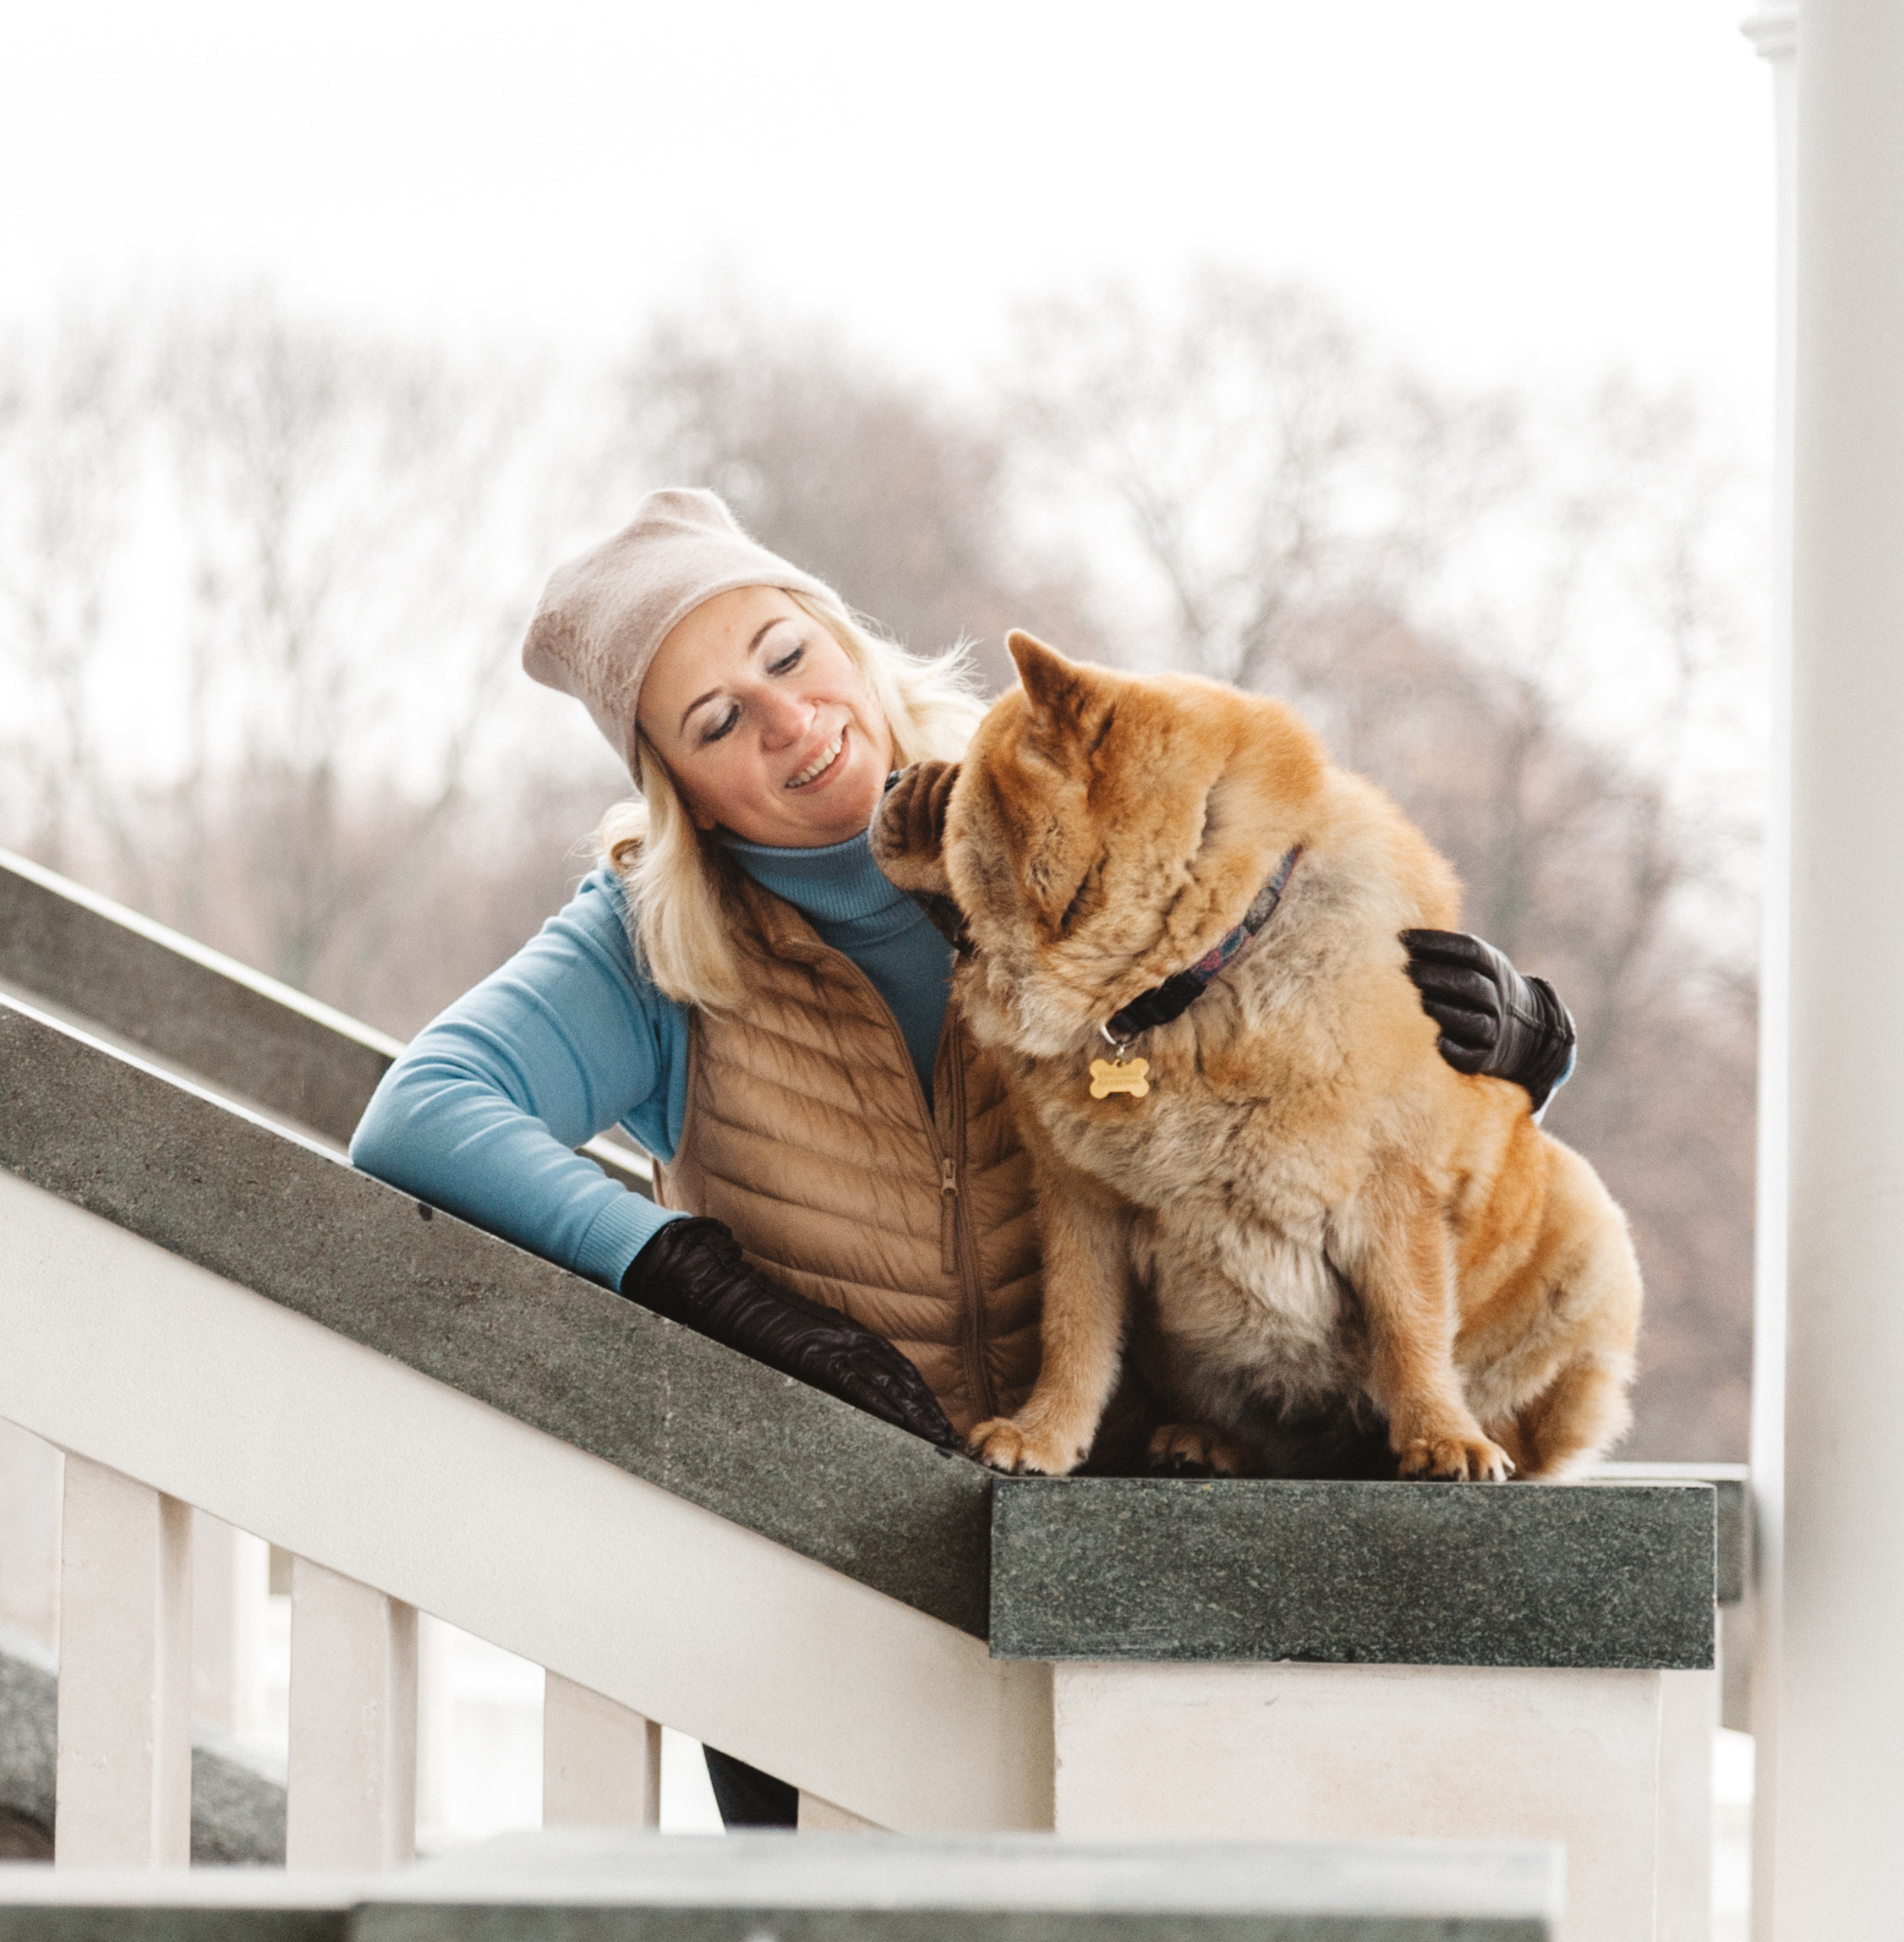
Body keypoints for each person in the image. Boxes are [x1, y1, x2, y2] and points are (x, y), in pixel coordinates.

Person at [349, 488, 1576, 1826]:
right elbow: (422, 1112)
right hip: (815, 1593)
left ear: (844, 637)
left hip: (1125, 1557)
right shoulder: (649, 946)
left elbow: (1316, 1093)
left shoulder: (1067, 813)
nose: (789, 720)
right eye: (716, 722)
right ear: (674, 786)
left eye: (788, 653)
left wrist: (1510, 1049)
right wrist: (696, 1280)